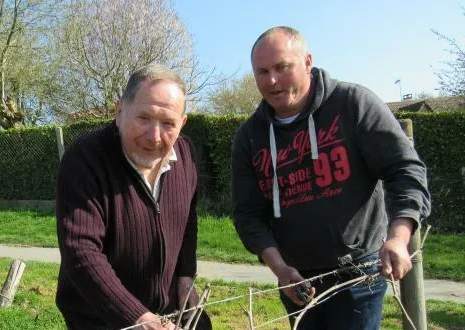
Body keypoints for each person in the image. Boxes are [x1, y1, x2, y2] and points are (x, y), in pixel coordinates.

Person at [232, 26, 431, 329]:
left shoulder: (353, 104)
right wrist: (280, 269)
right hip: (295, 279)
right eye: (262, 72)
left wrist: (398, 237)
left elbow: (404, 170)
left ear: (308, 62)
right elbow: (248, 215)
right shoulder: (249, 136)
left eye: (282, 67)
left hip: (358, 275)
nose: (272, 80)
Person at [56, 64, 211, 330]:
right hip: (100, 316)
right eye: (144, 118)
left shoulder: (185, 154)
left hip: (167, 311)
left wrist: (186, 275)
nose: (154, 136)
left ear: (182, 123)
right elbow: (81, 250)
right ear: (119, 111)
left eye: (168, 124)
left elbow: (188, 220)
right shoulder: (85, 159)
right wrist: (136, 317)